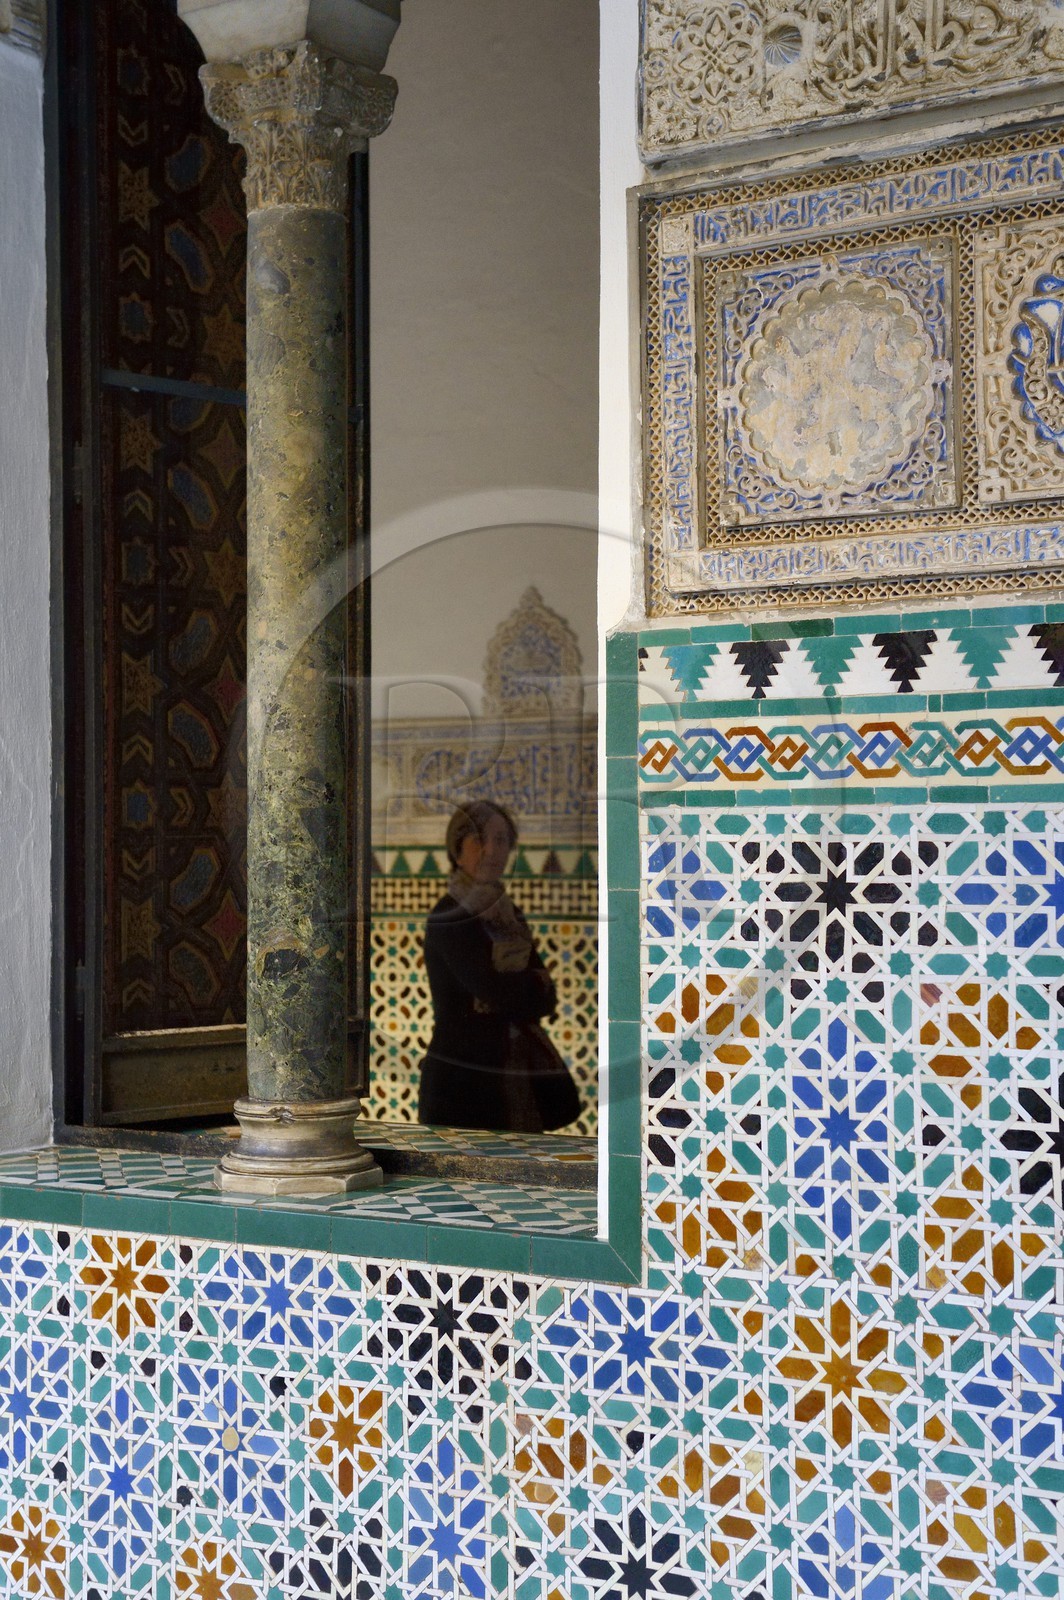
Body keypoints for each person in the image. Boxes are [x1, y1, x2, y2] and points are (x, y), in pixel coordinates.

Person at [417, 800, 581, 1132]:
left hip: (515, 1077)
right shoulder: (449, 915)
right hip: (463, 1082)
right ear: (457, 847)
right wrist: (525, 987)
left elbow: (547, 998)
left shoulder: (510, 914)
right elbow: (494, 989)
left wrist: (515, 992)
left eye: (502, 840)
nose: (493, 850)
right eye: (480, 838)